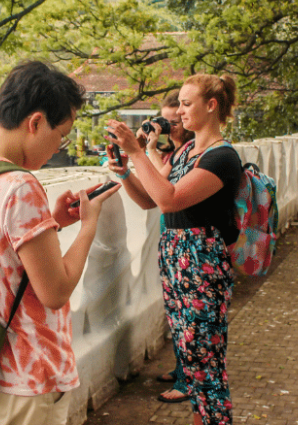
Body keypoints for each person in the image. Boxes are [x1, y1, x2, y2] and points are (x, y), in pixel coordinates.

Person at [0, 61, 121, 425]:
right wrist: (88, 226)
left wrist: (51, 222)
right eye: (60, 135)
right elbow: (55, 291)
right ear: (35, 122)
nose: (59, 147)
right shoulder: (21, 186)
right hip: (29, 378)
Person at [106, 73, 242, 425]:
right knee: (191, 358)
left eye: (185, 104)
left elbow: (170, 200)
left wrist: (137, 151)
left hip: (201, 261)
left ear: (211, 106)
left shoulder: (221, 157)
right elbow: (150, 199)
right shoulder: (184, 151)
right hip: (175, 258)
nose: (179, 112)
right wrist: (125, 172)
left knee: (206, 363)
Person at [139, 93, 194, 404]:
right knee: (175, 310)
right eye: (165, 121)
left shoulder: (194, 153)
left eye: (175, 122)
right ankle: (181, 367)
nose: (170, 127)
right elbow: (151, 189)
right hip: (170, 238)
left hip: (188, 241)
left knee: (187, 314)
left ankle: (189, 380)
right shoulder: (174, 154)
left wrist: (146, 151)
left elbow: (163, 194)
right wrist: (145, 150)